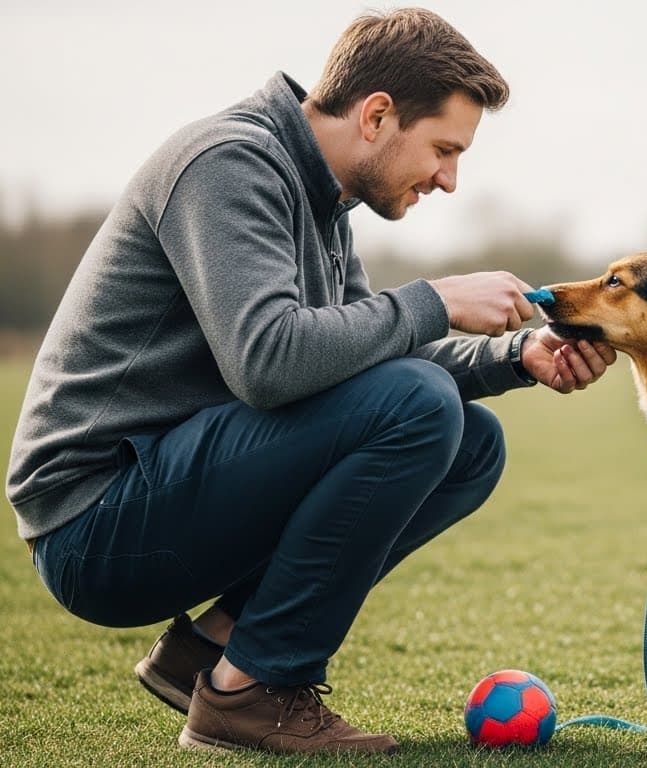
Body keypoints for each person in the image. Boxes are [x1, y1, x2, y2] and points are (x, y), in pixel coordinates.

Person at [5, 8, 615, 755]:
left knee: (471, 442)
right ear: (377, 115)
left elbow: (366, 367)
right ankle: (249, 692)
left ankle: (215, 649)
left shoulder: (323, 202)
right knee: (420, 405)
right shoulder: (226, 163)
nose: (450, 180)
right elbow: (268, 361)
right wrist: (435, 301)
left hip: (169, 484)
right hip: (93, 521)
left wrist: (514, 358)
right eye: (444, 149)